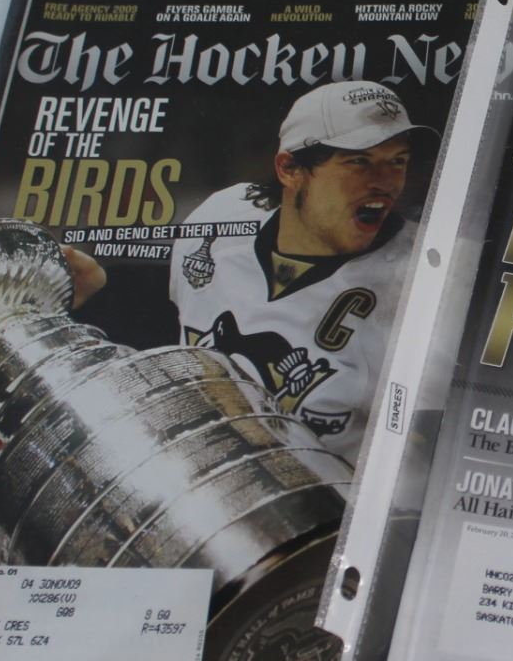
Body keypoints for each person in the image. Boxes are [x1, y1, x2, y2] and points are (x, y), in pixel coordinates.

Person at [70, 80, 435, 462]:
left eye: (398, 161)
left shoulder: (425, 276)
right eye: (359, 161)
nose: (385, 182)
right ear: (290, 169)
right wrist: (103, 292)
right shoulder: (224, 215)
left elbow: (431, 445)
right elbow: (183, 318)